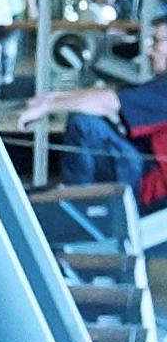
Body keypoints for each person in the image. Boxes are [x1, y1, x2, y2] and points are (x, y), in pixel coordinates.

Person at [23, 13, 167, 219]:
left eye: (157, 41)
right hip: (146, 171)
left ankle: (74, 213)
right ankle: (77, 201)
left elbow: (109, 101)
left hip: (151, 191)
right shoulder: (160, 86)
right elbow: (116, 96)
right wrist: (52, 97)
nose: (147, 50)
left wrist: (48, 105)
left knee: (86, 125)